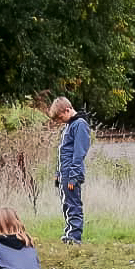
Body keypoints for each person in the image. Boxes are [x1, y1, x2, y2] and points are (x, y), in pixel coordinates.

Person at [51, 96, 91, 244]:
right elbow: (64, 152)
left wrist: (73, 176)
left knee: (73, 205)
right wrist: (58, 174)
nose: (61, 121)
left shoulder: (80, 125)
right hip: (64, 173)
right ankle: (69, 234)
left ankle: (75, 237)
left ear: (67, 110)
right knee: (66, 204)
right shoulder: (69, 125)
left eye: (61, 117)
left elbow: (79, 153)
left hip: (71, 174)